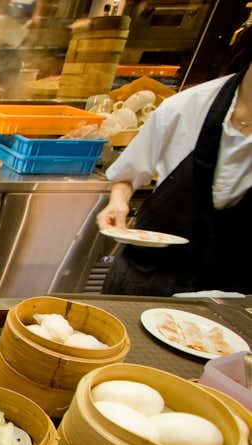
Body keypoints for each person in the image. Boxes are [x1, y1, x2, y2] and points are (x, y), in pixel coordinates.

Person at [96, 28, 252, 295]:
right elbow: (126, 175)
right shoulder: (185, 108)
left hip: (231, 293)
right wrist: (118, 202)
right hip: (149, 278)